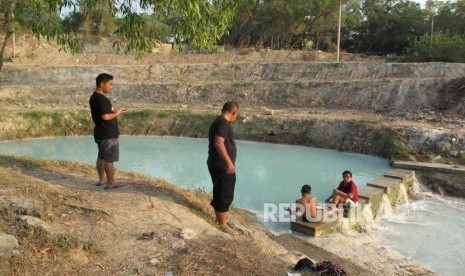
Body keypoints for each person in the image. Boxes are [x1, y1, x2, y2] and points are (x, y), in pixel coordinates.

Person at [207, 101, 239, 234]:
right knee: (225, 193)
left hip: (218, 163)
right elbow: (218, 143)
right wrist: (229, 163)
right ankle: (223, 225)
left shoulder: (219, 121)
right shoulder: (223, 123)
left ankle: (221, 220)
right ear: (234, 112)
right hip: (222, 165)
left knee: (220, 191)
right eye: (236, 115)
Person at [89, 73, 125, 190]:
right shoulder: (102, 99)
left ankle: (101, 180)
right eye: (110, 84)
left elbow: (103, 112)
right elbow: (105, 117)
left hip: (100, 133)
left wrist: (113, 111)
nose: (111, 87)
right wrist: (117, 113)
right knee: (109, 159)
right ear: (102, 84)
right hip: (108, 134)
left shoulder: (94, 97)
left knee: (102, 157)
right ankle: (111, 183)